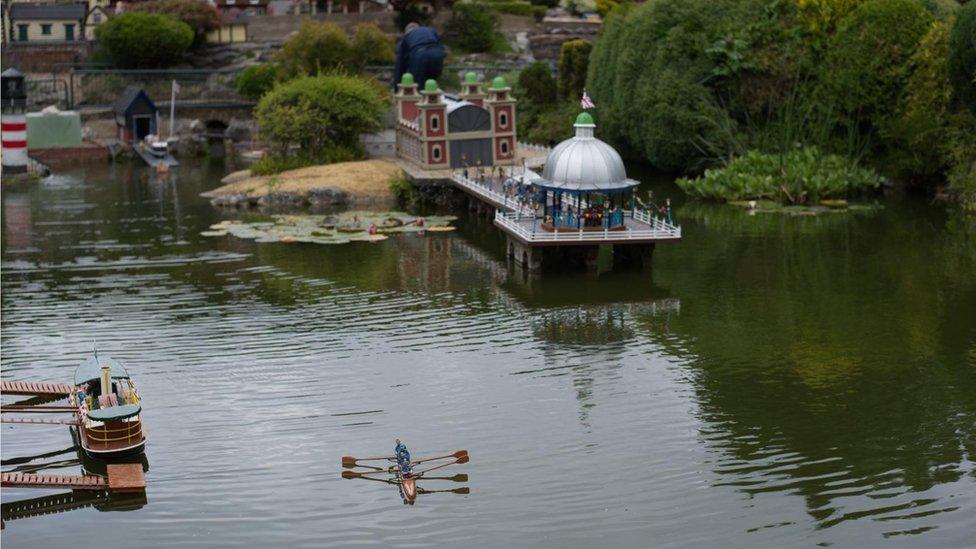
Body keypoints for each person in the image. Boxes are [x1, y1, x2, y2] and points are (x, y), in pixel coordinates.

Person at [392, 23, 445, 89]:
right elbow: (441, 46)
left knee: (417, 85)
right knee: (432, 83)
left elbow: (400, 64)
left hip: (420, 54)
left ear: (406, 32)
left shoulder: (406, 37)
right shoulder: (430, 30)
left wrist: (396, 87)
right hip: (437, 53)